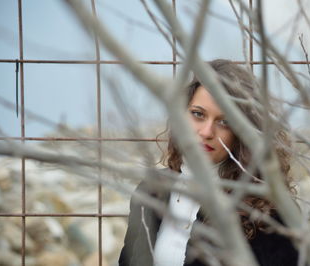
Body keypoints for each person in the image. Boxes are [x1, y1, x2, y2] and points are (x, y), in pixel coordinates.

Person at [119, 59, 299, 266]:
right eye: (198, 114)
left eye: (224, 122)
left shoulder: (270, 211)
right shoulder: (151, 190)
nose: (206, 132)